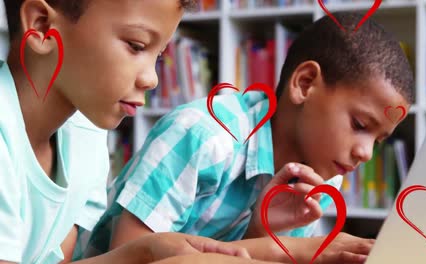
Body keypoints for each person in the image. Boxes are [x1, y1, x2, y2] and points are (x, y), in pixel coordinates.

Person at [81, 11, 413, 264]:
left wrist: (262, 236)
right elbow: (130, 255)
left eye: (379, 140)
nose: (366, 154)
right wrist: (292, 250)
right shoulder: (203, 135)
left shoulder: (323, 179)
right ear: (305, 83)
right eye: (359, 124)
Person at [0, 0, 284, 263]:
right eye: (136, 46)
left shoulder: (86, 135)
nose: (152, 79)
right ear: (41, 26)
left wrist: (143, 252)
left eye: (158, 57)